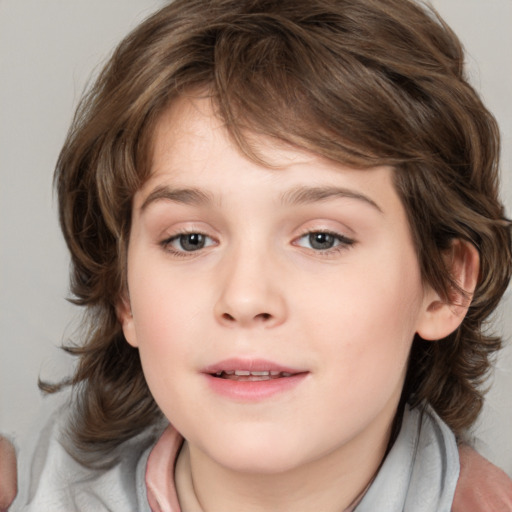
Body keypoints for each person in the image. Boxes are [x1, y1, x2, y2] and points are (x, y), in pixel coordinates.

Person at [8, 0, 512, 510]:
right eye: (190, 240)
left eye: (322, 238)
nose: (245, 298)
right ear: (125, 295)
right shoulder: (41, 482)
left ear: (444, 286)